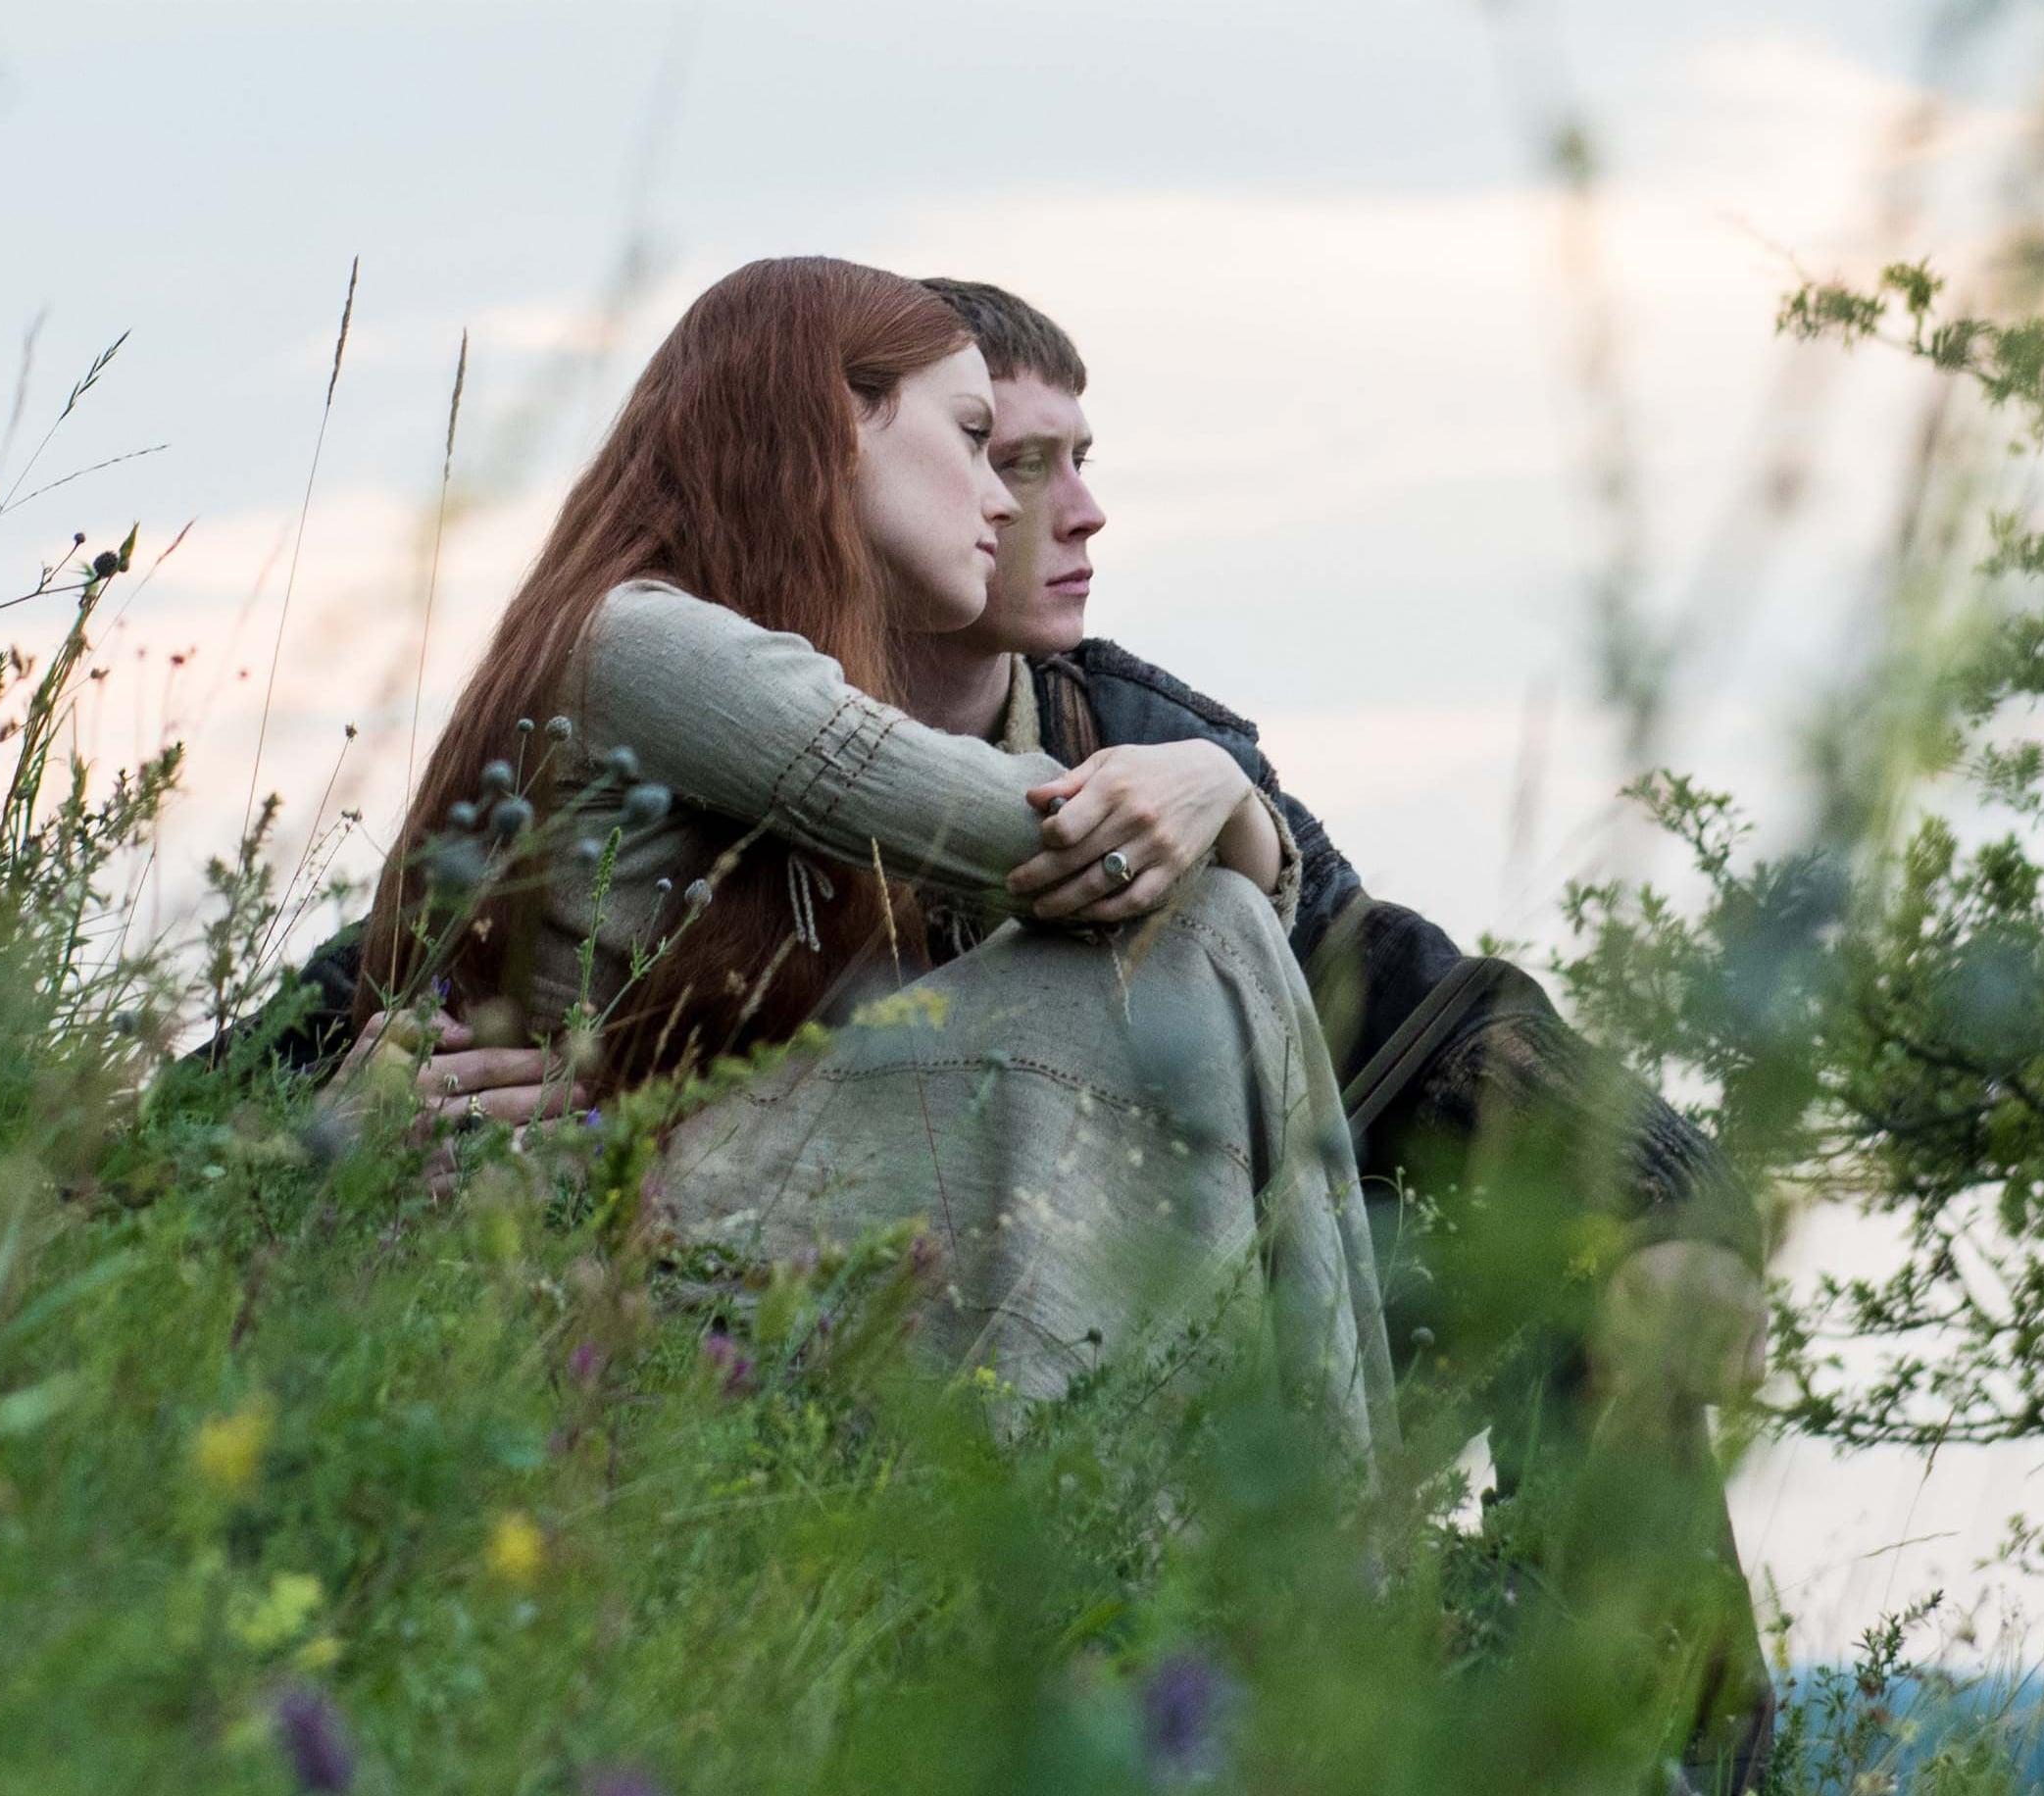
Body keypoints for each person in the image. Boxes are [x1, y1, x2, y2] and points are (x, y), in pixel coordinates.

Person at [220, 273, 1770, 1787]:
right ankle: (1176, 1626)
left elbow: (1417, 1010)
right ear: (841, 446)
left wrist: (1671, 1201)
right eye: (1001, 455)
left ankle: (1650, 1747)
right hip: (715, 1309)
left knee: (1561, 1246)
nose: (1063, 508)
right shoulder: (692, 676)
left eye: (1072, 461)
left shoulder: (1135, 739)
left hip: (1142, 1289)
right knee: (1201, 933)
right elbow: (332, 1026)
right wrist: (347, 1098)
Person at [328, 256, 1394, 1455]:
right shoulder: (643, 639)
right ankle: (1282, 1556)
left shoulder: (695, 646)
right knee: (1196, 936)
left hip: (658, 1236)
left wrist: (1213, 780)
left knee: (1202, 930)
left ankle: (1223, 1539)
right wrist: (1219, 782)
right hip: (568, 1261)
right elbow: (1032, 835)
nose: (1005, 500)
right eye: (975, 437)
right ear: (837, 426)